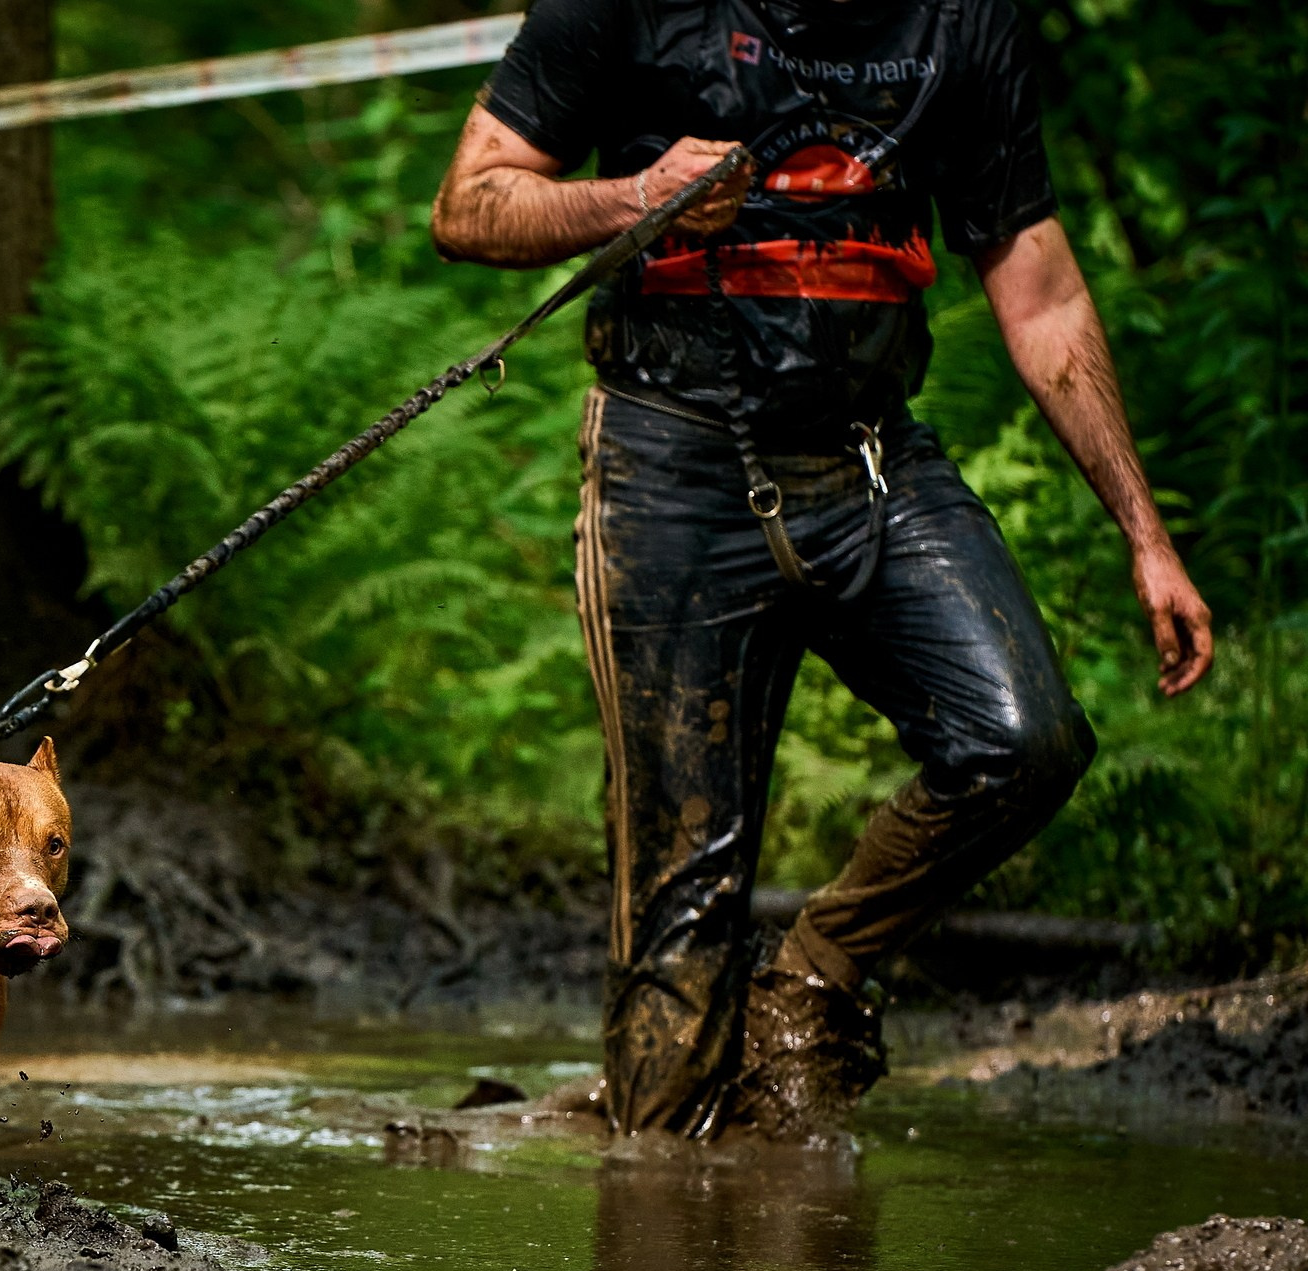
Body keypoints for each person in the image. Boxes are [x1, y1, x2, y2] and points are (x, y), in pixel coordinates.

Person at [429, 0, 1212, 1139]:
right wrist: (636, 197)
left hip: (870, 450)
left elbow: (1038, 288)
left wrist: (1147, 537)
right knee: (681, 914)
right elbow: (468, 202)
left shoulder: (963, 23)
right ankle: (654, 1232)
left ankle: (810, 976)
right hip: (670, 459)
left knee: (1022, 741)